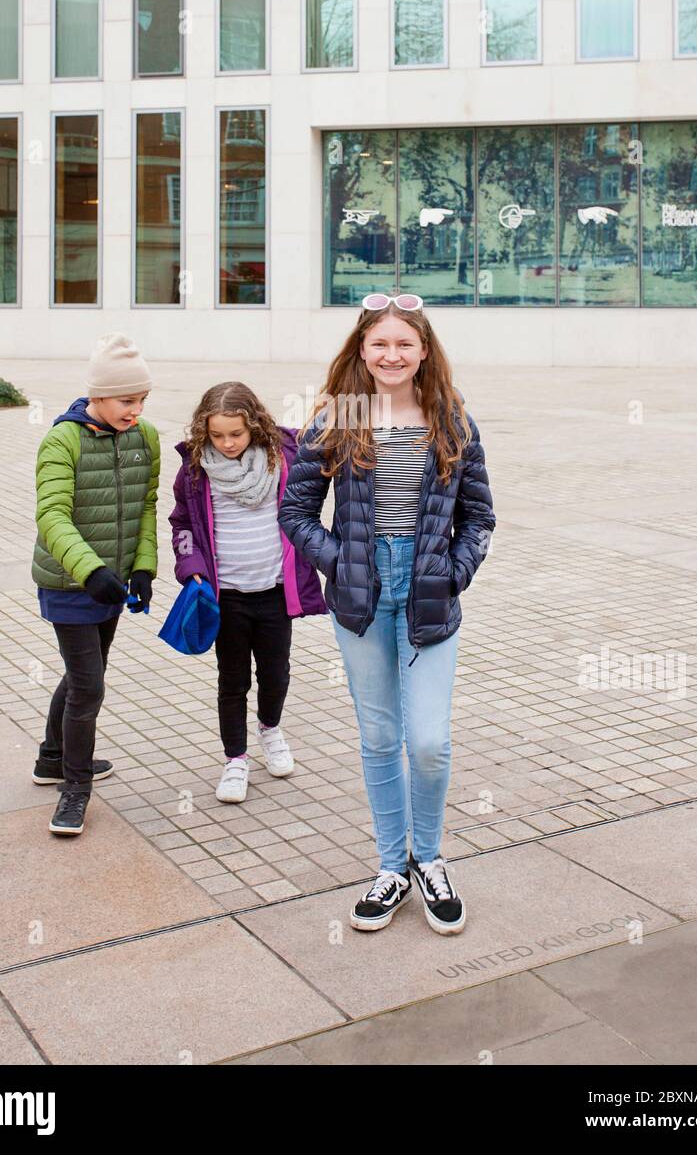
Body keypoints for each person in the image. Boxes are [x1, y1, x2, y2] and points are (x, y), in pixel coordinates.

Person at [278, 294, 495, 935]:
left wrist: (453, 573)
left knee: (427, 742)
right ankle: (391, 867)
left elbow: (479, 516)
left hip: (429, 593)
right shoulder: (340, 417)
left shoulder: (451, 419)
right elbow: (295, 510)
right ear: (362, 351)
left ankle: (429, 858)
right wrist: (340, 559)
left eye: (405, 344)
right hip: (362, 595)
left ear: (424, 351)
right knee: (379, 738)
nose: (392, 355)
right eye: (380, 344)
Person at [168, 382, 327, 804]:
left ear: (254, 426)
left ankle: (270, 729)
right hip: (228, 597)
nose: (227, 443)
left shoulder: (283, 457)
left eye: (235, 434)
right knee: (232, 680)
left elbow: (320, 444)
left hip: (275, 593)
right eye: (217, 436)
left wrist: (329, 407)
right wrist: (192, 570)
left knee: (276, 673)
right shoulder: (195, 470)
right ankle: (235, 759)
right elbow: (182, 525)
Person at [31, 334, 160, 836]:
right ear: (98, 396)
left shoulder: (143, 437)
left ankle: (50, 758)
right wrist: (91, 571)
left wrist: (143, 567)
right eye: (128, 400)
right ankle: (74, 788)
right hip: (70, 583)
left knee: (85, 673)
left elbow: (146, 506)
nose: (137, 409)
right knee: (89, 686)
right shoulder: (62, 440)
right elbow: (52, 516)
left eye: (142, 399)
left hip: (113, 584)